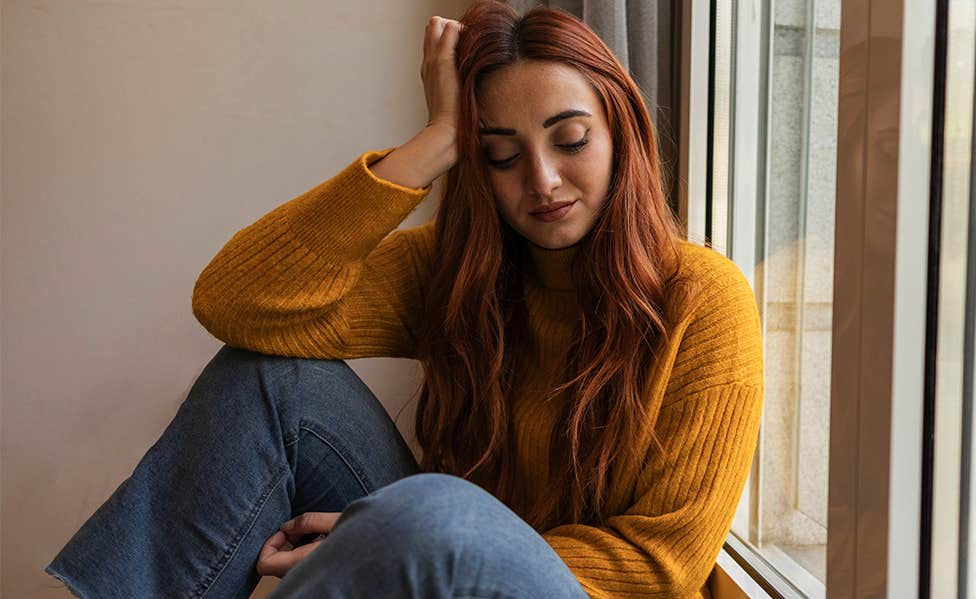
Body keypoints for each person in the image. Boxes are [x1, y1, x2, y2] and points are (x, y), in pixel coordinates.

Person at [44, 1, 763, 597]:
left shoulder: (704, 301)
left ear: (621, 135)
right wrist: (431, 143)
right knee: (268, 380)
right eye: (501, 155)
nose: (542, 180)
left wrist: (402, 541)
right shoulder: (461, 272)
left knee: (437, 509)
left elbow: (662, 566)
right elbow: (234, 300)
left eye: (571, 139)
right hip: (440, 547)